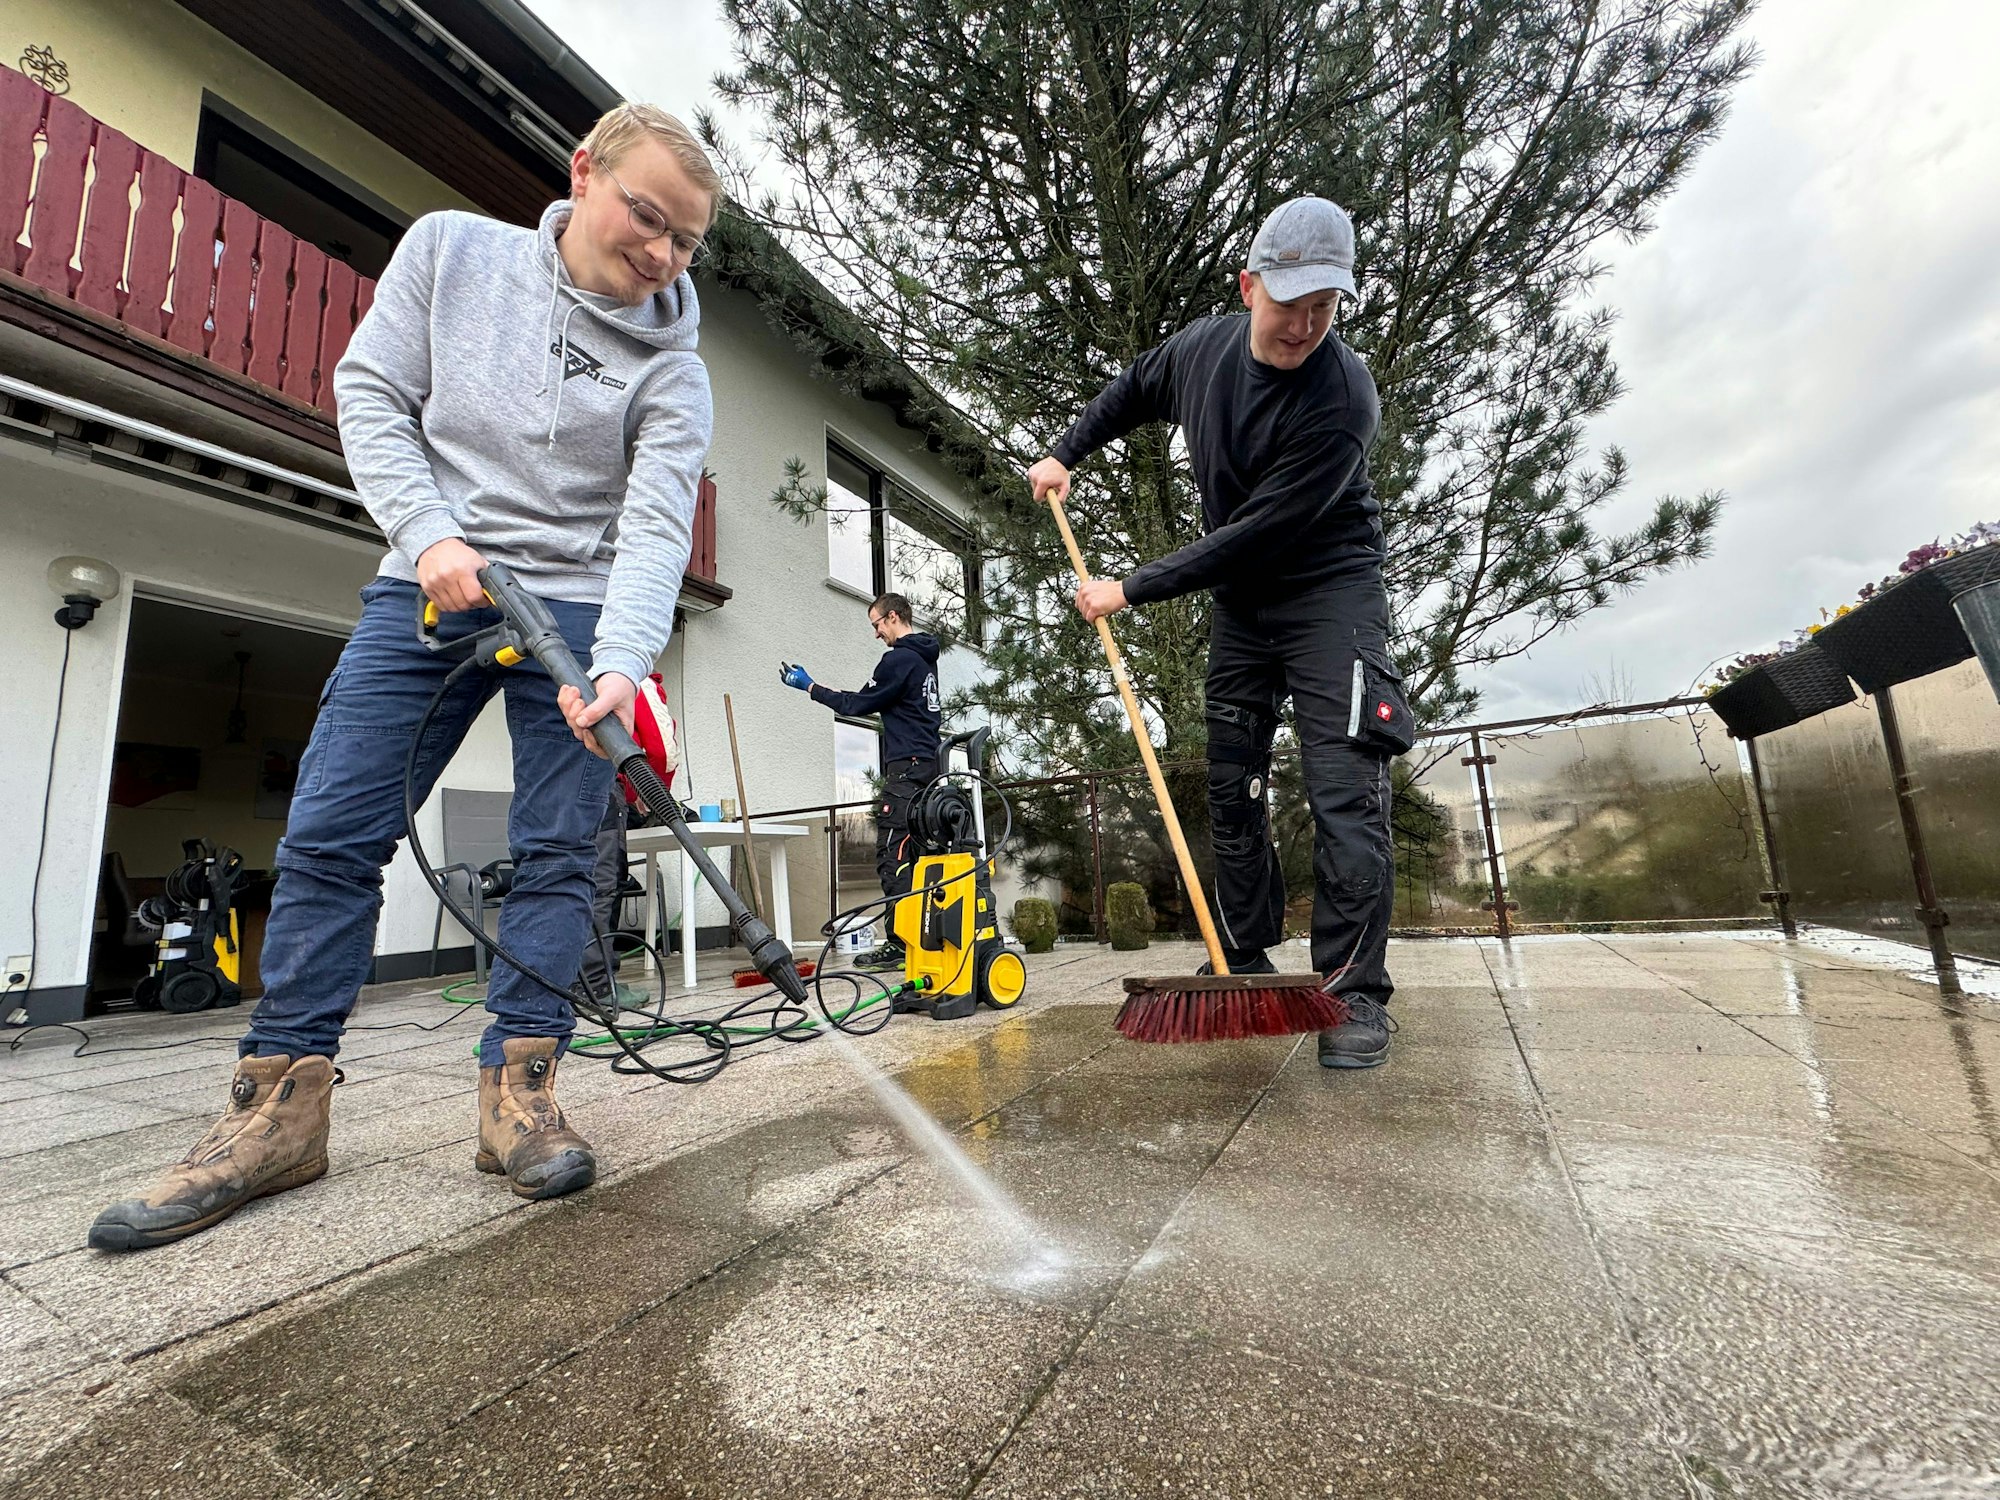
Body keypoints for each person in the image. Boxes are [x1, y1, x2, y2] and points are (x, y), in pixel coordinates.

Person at [88, 103, 721, 1252]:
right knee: (336, 826)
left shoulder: (676, 369)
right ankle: (279, 1108)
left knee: (560, 848)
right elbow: (371, 394)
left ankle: (516, 1095)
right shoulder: (449, 252)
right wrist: (429, 534)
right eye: (646, 216)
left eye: (686, 241)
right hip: (429, 582)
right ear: (583, 173)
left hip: (574, 610)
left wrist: (620, 666)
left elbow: (655, 530)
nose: (662, 254)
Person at [1026, 195, 1411, 1069]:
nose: (1307, 326)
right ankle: (1240, 950)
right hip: (1243, 605)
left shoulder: (1343, 395)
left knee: (1344, 788)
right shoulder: (1199, 351)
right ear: (1249, 287)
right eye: (1290, 305)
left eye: (1326, 307)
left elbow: (1264, 531)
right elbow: (1131, 389)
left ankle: (1353, 996)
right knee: (1232, 783)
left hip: (1328, 591)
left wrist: (1131, 587)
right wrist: (1065, 452)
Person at [781, 593, 942, 969]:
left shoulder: (899, 659)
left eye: (876, 625)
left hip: (905, 773)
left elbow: (856, 705)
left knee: (893, 855)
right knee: (916, 859)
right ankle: (921, 938)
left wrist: (810, 687)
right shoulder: (925, 661)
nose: (875, 634)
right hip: (926, 769)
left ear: (893, 617)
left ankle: (902, 946)